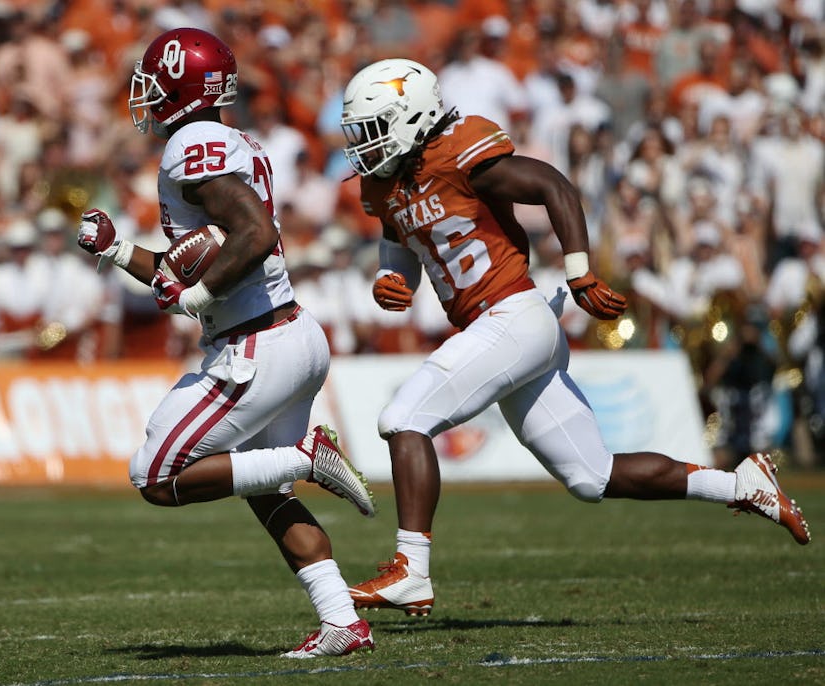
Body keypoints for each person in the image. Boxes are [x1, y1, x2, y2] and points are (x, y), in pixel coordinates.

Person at [338, 58, 811, 617]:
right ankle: (740, 485)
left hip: (513, 315)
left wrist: (580, 271)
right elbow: (399, 235)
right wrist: (392, 276)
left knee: (402, 418)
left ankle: (411, 569)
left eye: (372, 130)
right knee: (592, 476)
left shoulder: (461, 154)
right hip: (497, 328)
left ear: (412, 117)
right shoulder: (385, 180)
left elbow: (553, 186)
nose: (363, 147)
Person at [75, 28, 375, 658]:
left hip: (254, 345)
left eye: (157, 84)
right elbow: (186, 264)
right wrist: (117, 250)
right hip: (286, 329)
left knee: (154, 474)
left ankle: (305, 455)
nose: (148, 98)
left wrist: (202, 295)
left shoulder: (192, 142)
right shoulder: (225, 139)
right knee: (259, 487)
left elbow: (255, 234)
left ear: (184, 86)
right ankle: (342, 620)